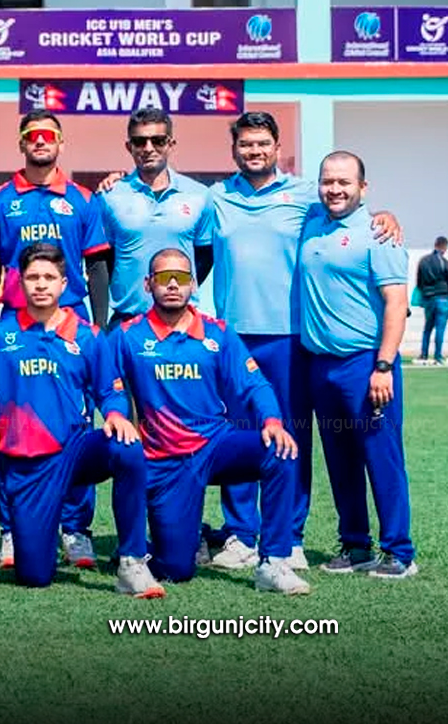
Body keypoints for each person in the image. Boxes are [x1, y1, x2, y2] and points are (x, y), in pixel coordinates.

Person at [201, 112, 399, 571]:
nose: (254, 151)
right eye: (246, 144)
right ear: (234, 150)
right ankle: (240, 534)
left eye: (262, 143)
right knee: (239, 434)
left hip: (290, 339)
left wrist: (385, 216)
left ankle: (288, 537)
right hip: (234, 337)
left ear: (277, 147)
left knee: (290, 437)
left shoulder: (308, 194)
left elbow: (349, 207)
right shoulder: (216, 197)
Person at [106, 249, 309, 595]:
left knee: (280, 450)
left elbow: (255, 385)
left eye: (182, 277)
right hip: (165, 460)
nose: (173, 284)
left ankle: (273, 562)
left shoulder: (218, 333)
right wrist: (114, 413)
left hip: (215, 444)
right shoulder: (127, 335)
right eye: (164, 277)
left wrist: (272, 421)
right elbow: (103, 380)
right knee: (177, 569)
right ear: (148, 284)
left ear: (194, 285)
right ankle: (166, 545)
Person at [0, 243, 161, 597]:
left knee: (126, 447)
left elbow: (110, 390)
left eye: (49, 277)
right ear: (19, 282)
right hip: (28, 466)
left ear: (64, 284)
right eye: (33, 277)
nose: (41, 284)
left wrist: (115, 414)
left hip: (76, 452)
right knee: (34, 576)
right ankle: (35, 541)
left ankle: (132, 561)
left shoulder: (88, 335)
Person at [0, 108, 110, 570]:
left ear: (60, 143)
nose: (40, 141)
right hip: (16, 322)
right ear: (21, 143)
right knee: (15, 425)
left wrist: (99, 322)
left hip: (70, 321)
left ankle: (76, 529)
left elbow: (96, 264)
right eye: (32, 135)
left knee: (76, 425)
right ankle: (11, 530)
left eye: (49, 135)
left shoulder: (82, 199)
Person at [299, 152, 416, 578]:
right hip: (320, 366)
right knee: (340, 460)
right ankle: (355, 545)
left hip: (366, 363)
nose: (334, 189)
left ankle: (399, 552)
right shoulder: (312, 222)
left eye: (344, 182)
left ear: (363, 188)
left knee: (382, 457)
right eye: (327, 181)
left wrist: (383, 366)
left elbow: (396, 303)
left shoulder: (379, 234)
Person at [95, 107, 213, 327]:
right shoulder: (109, 196)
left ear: (171, 144)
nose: (148, 148)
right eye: (140, 142)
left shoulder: (199, 195)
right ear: (129, 147)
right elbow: (103, 260)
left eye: (158, 141)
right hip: (127, 319)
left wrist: (175, 285)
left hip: (181, 320)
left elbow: (204, 257)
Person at [415, 236, 448, 364]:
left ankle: (423, 355)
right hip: (443, 299)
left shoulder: (423, 261)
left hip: (428, 298)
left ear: (435, 244)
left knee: (427, 328)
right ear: (444, 247)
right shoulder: (444, 262)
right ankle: (438, 357)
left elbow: (419, 281)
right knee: (440, 328)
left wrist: (424, 294)